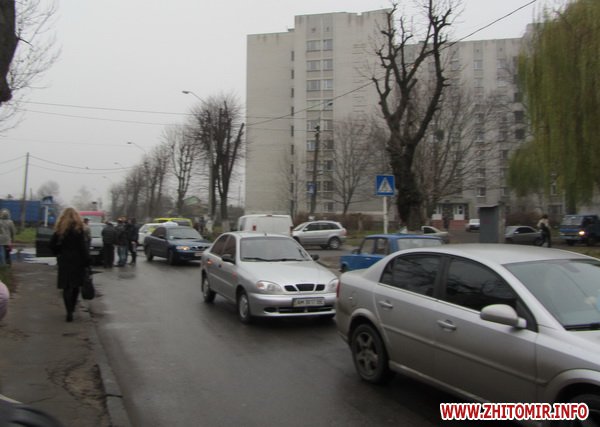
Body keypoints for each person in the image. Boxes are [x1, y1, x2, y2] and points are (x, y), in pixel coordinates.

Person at [49, 207, 90, 322]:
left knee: (66, 286)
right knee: (76, 285)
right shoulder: (79, 229)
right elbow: (83, 247)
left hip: (64, 260)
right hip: (77, 261)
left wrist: (58, 252)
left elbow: (51, 245)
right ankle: (72, 308)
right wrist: (87, 261)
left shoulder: (60, 230)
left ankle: (68, 312)